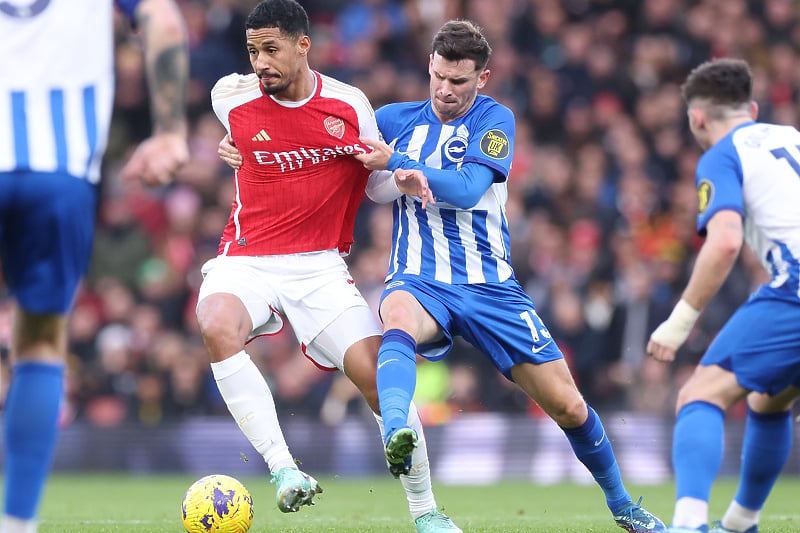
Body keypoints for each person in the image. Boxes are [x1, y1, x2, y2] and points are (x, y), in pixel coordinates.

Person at [353, 19, 665, 533]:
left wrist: (405, 165)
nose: (446, 91)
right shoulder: (392, 119)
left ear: (484, 77)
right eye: (438, 77)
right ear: (428, 67)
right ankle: (394, 426)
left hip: (491, 288)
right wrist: (243, 153)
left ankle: (623, 507)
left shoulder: (495, 120)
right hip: (418, 276)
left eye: (459, 82)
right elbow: (328, 144)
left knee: (568, 405)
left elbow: (468, 188)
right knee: (397, 317)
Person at [201, 1, 459, 532]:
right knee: (215, 324)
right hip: (246, 257)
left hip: (319, 267)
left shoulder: (348, 105)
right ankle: (283, 471)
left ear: (303, 45)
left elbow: (376, 183)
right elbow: (237, 137)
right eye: (253, 51)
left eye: (271, 49)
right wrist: (228, 147)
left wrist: (402, 178)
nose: (261, 63)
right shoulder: (231, 97)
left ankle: (426, 513)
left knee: (376, 381)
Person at [0, 2, 189, 532]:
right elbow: (165, 21)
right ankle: (18, 524)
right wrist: (170, 130)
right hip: (60, 177)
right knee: (39, 339)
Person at [647, 58, 800, 533]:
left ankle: (689, 523)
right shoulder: (792, 136)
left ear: (697, 118)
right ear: (751, 108)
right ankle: (738, 524)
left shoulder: (721, 153)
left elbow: (726, 239)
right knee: (769, 400)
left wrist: (680, 321)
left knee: (700, 393)